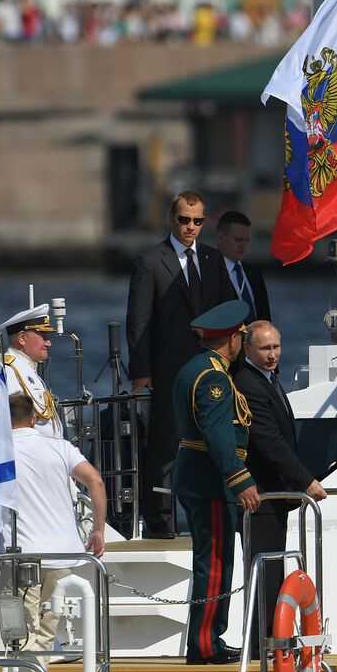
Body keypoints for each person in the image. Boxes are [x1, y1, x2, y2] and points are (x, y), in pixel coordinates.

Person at [126, 191, 226, 538]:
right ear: (173, 219)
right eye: (185, 220)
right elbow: (138, 322)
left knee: (212, 444)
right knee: (164, 450)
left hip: (209, 370)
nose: (191, 227)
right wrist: (141, 371)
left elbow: (228, 312)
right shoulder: (151, 261)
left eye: (198, 221)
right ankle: (158, 522)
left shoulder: (214, 260)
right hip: (168, 373)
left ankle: (207, 522)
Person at [6, 393, 108, 672]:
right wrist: (98, 530)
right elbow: (94, 480)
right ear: (35, 418)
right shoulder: (60, 447)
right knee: (45, 636)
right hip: (64, 554)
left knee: (19, 632)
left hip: (24, 555)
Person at [173, 300, 260, 664]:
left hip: (200, 479)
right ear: (230, 338)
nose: (241, 342)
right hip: (210, 481)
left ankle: (208, 639)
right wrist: (240, 480)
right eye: (240, 337)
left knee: (213, 561)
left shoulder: (197, 368)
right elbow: (218, 434)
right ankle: (206, 644)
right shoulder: (213, 377)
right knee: (215, 565)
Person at [230, 321, 326, 654]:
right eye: (265, 349)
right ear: (247, 349)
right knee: (264, 573)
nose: (273, 355)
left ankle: (271, 642)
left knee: (273, 570)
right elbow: (270, 442)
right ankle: (259, 648)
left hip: (276, 496)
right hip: (261, 497)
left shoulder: (267, 379)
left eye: (276, 347)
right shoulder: (249, 384)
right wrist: (306, 481)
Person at [0, 304, 63, 438]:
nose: (48, 343)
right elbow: (13, 423)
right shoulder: (7, 371)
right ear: (22, 338)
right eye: (43, 336)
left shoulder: (26, 368)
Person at [216, 210, 271, 324]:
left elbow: (265, 318)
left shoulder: (254, 273)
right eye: (238, 240)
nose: (244, 246)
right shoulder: (207, 273)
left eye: (247, 240)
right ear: (221, 238)